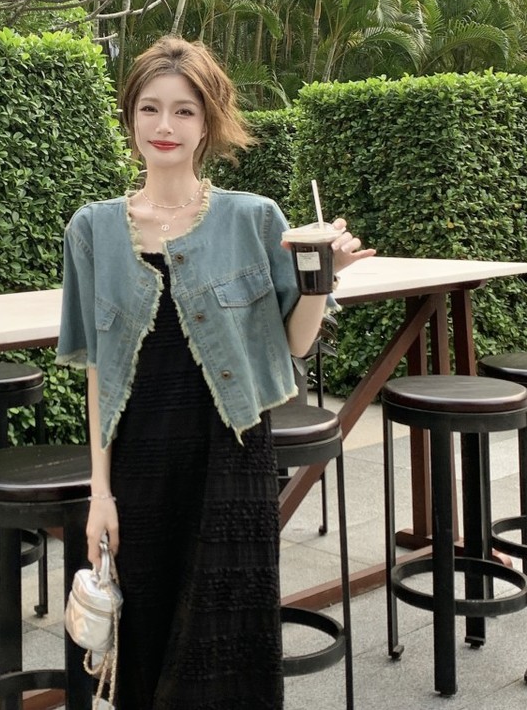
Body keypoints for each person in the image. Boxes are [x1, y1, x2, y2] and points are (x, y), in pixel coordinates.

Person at [56, 36, 375, 710]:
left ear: (208, 123)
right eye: (150, 108)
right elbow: (98, 372)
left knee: (231, 638)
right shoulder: (92, 230)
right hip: (140, 460)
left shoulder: (254, 218)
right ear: (129, 116)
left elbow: (294, 343)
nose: (165, 126)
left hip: (232, 453)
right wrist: (99, 492)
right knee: (144, 634)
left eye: (184, 111)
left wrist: (321, 276)